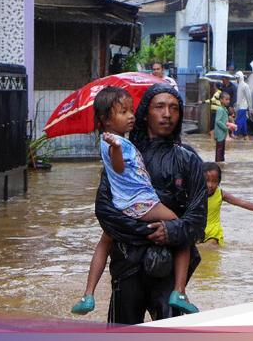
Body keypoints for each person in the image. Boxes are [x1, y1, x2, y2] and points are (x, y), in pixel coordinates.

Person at [71, 86, 198, 316]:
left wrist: (172, 230)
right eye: (159, 107)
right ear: (146, 113)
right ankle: (88, 294)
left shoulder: (188, 159)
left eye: (174, 108)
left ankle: (178, 291)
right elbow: (105, 209)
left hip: (166, 266)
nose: (167, 114)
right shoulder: (121, 149)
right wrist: (144, 230)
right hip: (127, 264)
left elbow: (198, 217)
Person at [202, 162, 253, 246]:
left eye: (214, 181)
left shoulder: (220, 194)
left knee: (210, 246)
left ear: (219, 182)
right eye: (207, 181)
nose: (210, 185)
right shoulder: (193, 194)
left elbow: (241, 202)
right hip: (196, 231)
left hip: (213, 233)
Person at [233, 71, 252, 139]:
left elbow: (249, 97)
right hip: (239, 106)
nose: (237, 80)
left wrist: (250, 108)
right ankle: (245, 135)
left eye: (237, 78)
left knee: (239, 121)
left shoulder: (245, 86)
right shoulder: (239, 86)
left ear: (240, 78)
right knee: (243, 121)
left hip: (243, 107)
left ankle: (236, 134)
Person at [213, 92, 230, 162]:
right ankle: (218, 164)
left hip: (223, 133)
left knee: (222, 150)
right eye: (226, 99)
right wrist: (226, 128)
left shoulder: (224, 109)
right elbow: (218, 121)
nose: (228, 101)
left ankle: (221, 163)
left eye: (229, 99)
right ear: (221, 100)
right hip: (220, 133)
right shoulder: (220, 109)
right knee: (219, 150)